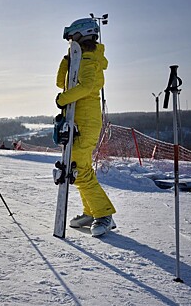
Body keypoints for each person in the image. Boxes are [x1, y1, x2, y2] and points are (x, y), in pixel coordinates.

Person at [55, 18, 116, 237]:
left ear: (82, 36)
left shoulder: (90, 60)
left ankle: (104, 214)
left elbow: (88, 86)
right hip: (77, 121)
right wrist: (67, 61)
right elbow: (60, 82)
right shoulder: (80, 60)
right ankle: (90, 212)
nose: (70, 43)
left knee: (78, 170)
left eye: (72, 39)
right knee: (79, 169)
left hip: (87, 122)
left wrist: (63, 99)